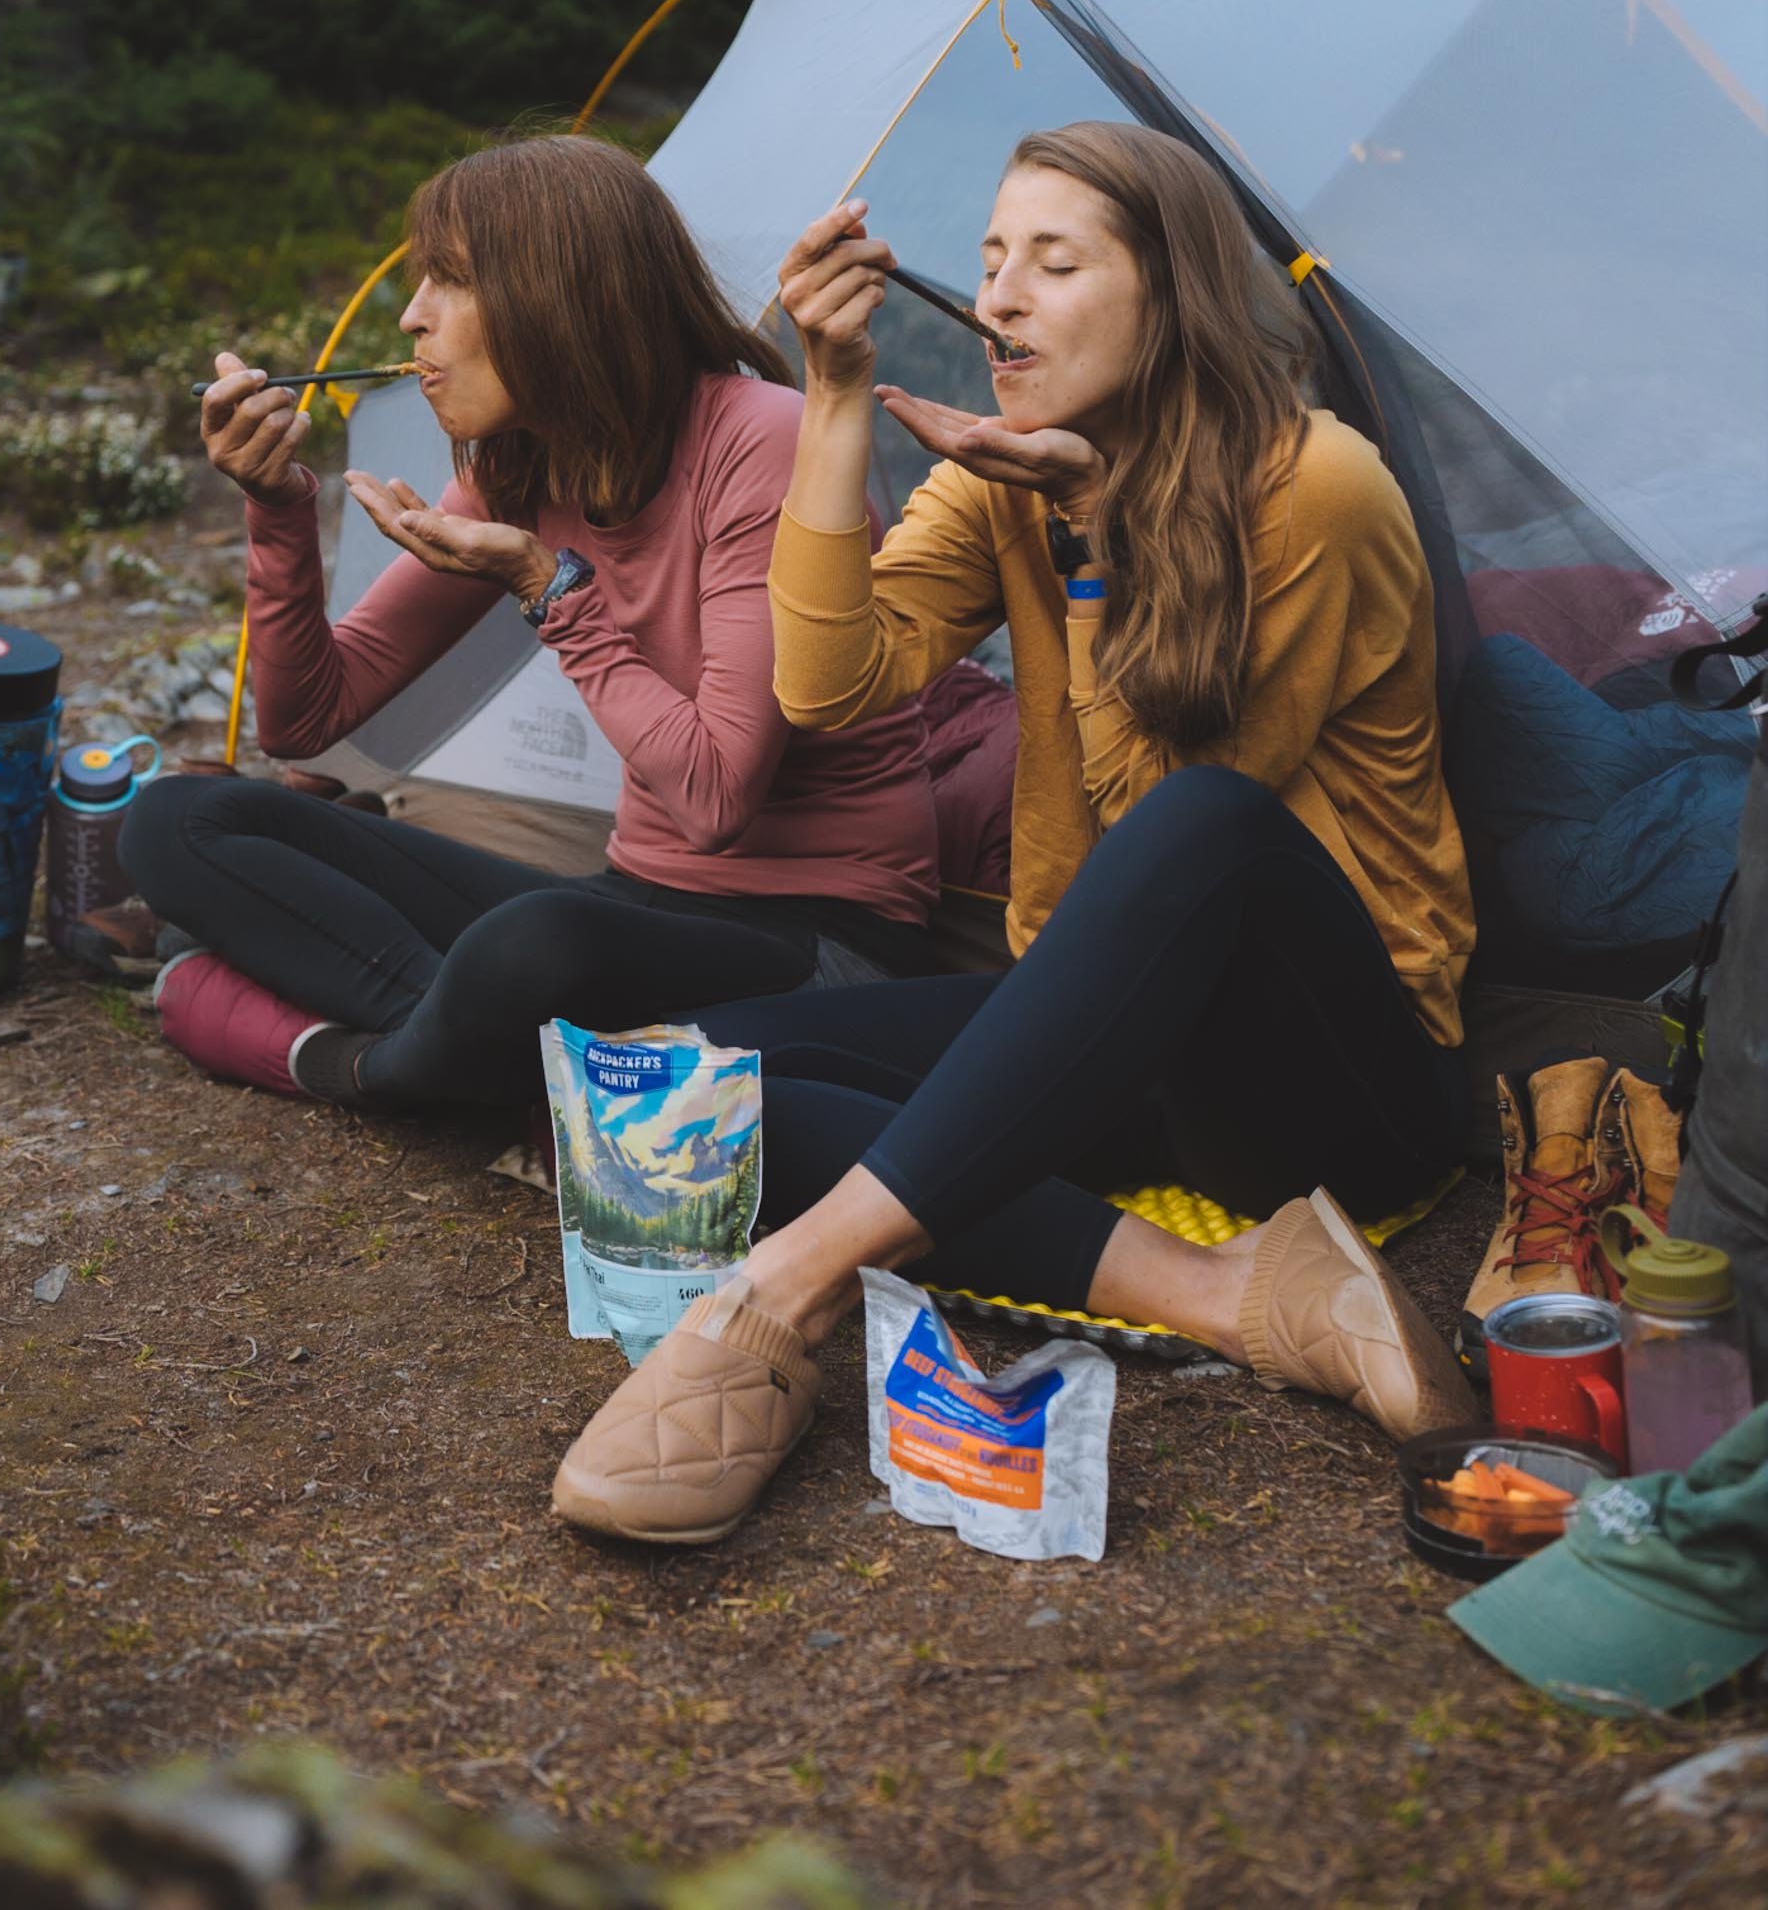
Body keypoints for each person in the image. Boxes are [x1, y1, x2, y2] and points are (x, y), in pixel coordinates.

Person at [552, 121, 1479, 1546]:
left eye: (1053, 262)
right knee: (703, 1081)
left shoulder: (1317, 486)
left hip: (1336, 1073)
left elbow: (1168, 827)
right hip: (1119, 1040)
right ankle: (1239, 1292)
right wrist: (840, 394)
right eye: (989, 262)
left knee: (1207, 819)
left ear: (1169, 297)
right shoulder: (1004, 473)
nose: (996, 299)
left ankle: (784, 1289)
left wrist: (1091, 540)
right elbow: (830, 680)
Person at [121, 135, 940, 1111]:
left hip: (809, 940)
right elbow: (306, 721)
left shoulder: (759, 439)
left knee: (536, 941)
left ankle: (385, 1064)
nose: (412, 312)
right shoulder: (526, 462)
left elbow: (716, 799)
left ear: (562, 300)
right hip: (632, 896)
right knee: (180, 819)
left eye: (452, 279)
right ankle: (474, 1045)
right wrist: (278, 508)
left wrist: (553, 591)